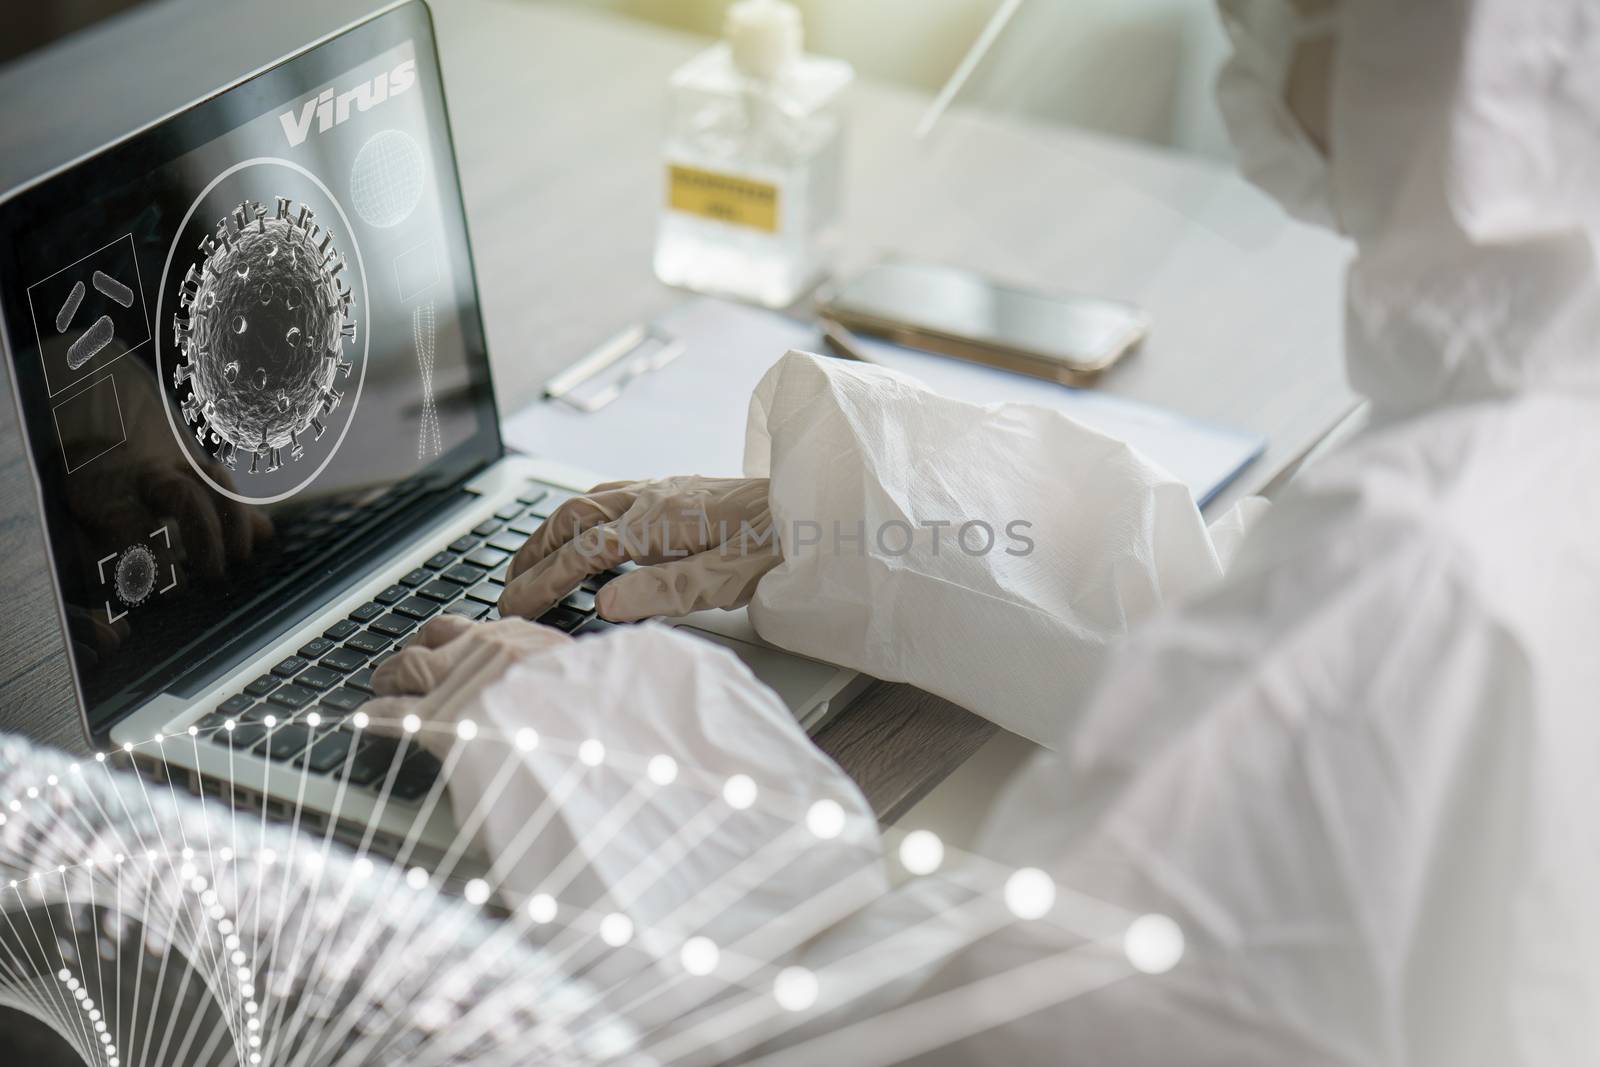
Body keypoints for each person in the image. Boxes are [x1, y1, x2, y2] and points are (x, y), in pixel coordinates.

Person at [364, 0, 1600, 1061]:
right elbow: (1260, 625)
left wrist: (622, 764)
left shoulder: (1417, 567)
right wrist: (861, 512)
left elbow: (928, 1036)